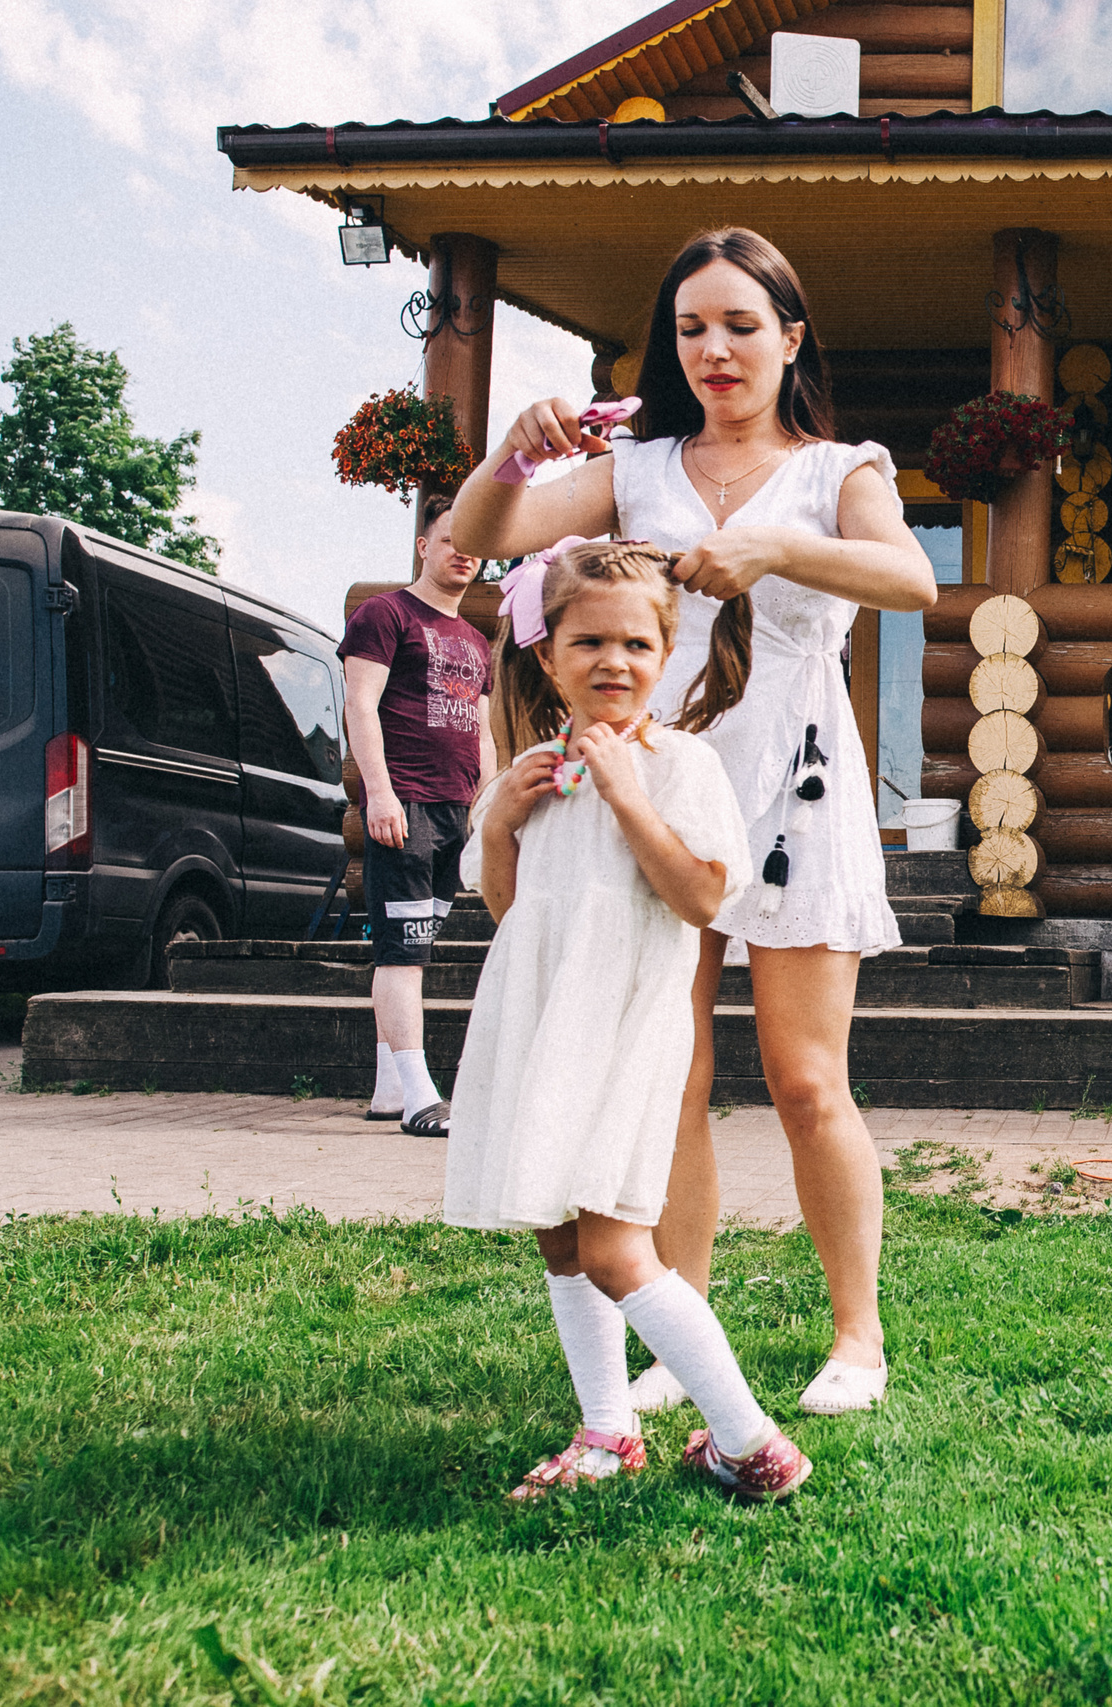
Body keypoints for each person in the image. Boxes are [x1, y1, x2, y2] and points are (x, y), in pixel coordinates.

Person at [451, 227, 937, 1420]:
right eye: (690, 329)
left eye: (738, 324)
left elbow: (915, 583)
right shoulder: (642, 465)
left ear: (789, 337)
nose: (713, 350)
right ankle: (686, 1323)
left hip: (795, 790)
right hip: (657, 788)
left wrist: (776, 545)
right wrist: (512, 450)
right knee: (669, 1073)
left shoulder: (839, 471)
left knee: (805, 1077)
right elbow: (486, 536)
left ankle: (857, 1337)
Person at [448, 538, 809, 1502]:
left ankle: (751, 1441)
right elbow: (504, 905)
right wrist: (498, 824)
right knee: (561, 1237)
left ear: (664, 652)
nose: (614, 661)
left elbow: (699, 896)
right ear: (549, 653)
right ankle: (607, 1430)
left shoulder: (681, 764)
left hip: (626, 1034)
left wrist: (624, 791)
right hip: (543, 1024)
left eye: (637, 644)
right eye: (589, 641)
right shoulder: (530, 772)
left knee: (614, 1246)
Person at [339, 492, 496, 1135]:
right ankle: (419, 1095)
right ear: (424, 546)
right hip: (403, 803)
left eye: (474, 544)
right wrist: (378, 792)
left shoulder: (476, 639)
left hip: (455, 809)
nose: (464, 551)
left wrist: (484, 805)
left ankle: (386, 1091)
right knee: (401, 954)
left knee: (417, 945)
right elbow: (360, 705)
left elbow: (483, 734)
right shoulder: (386, 614)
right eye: (450, 537)